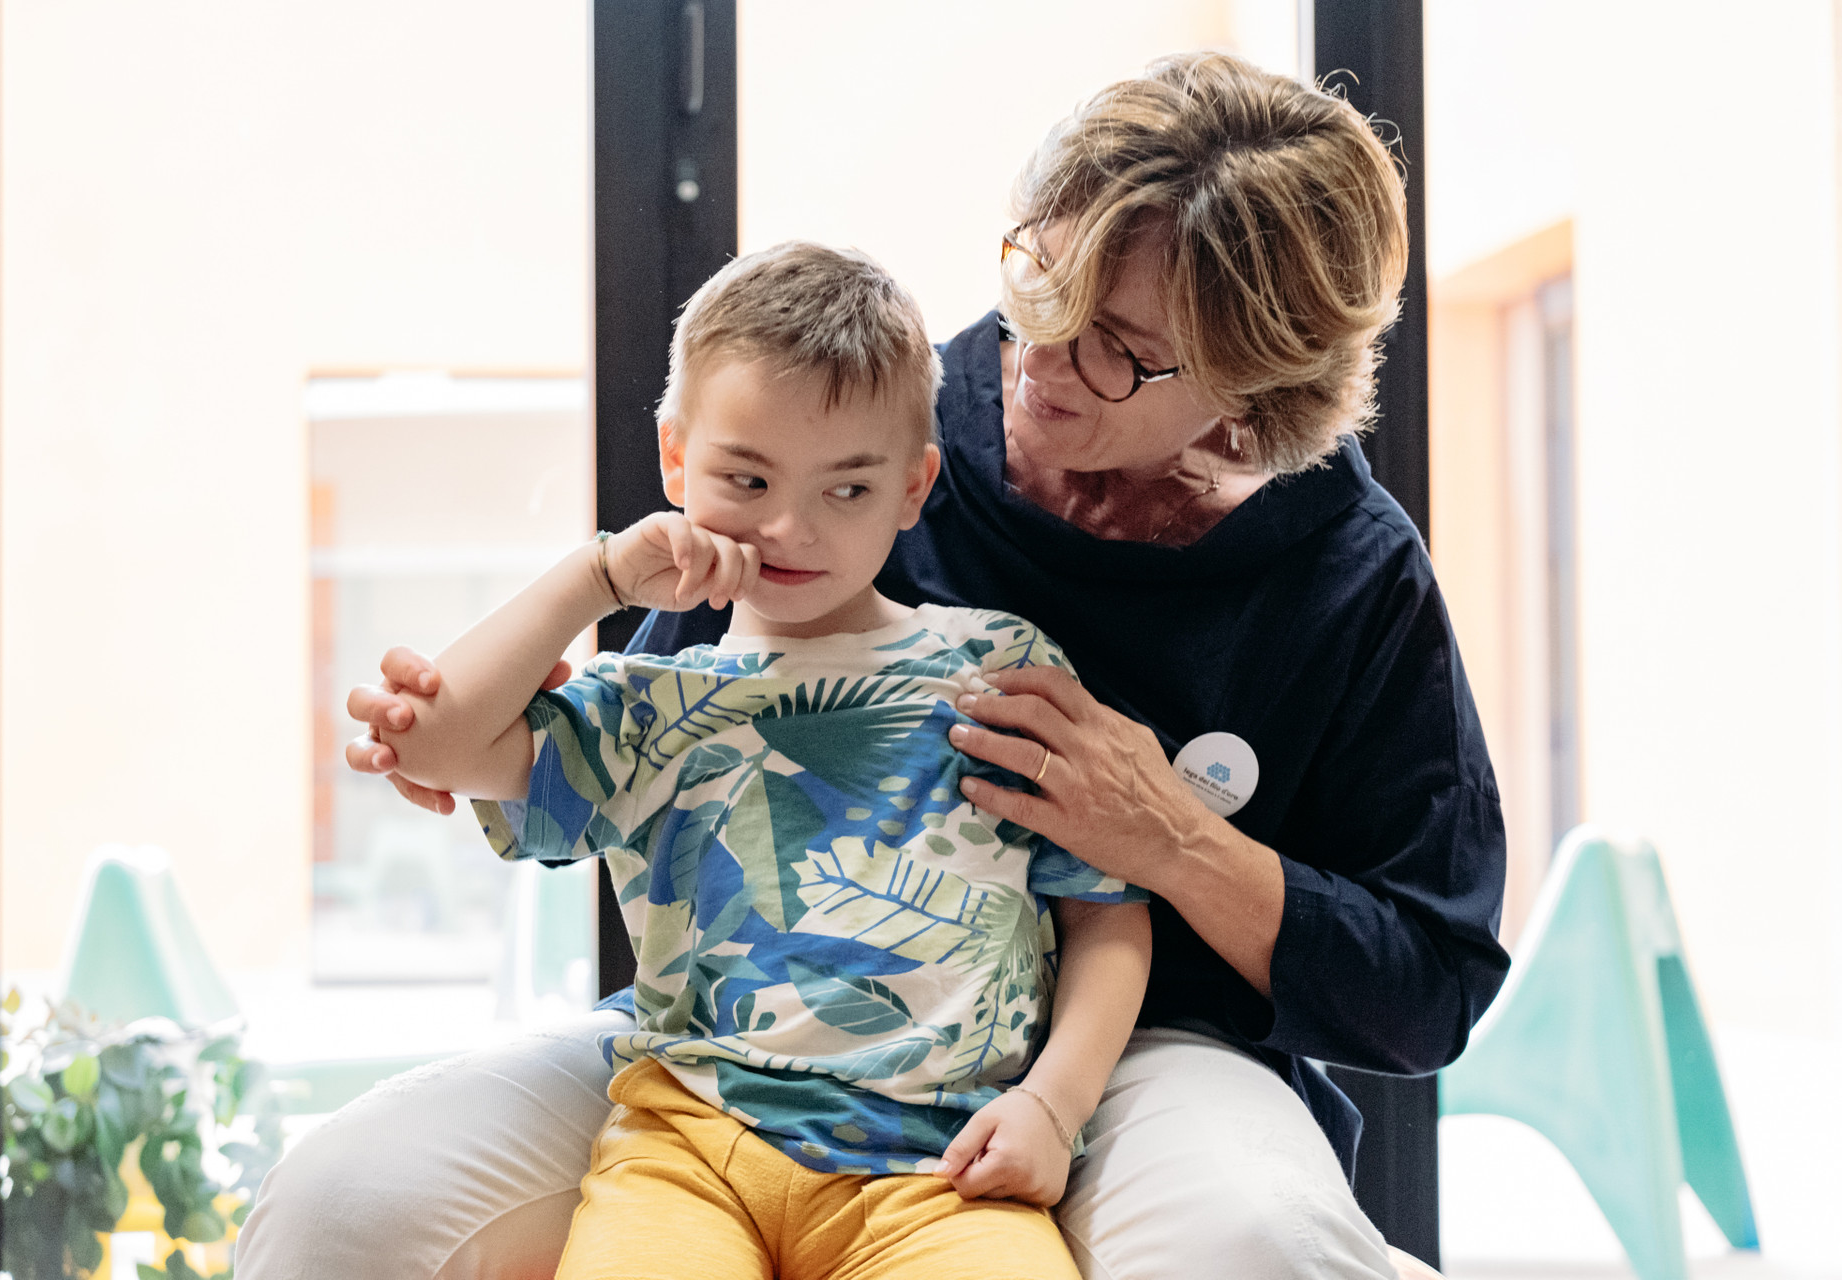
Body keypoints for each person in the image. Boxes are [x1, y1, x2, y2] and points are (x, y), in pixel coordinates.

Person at [236, 52, 1506, 1280]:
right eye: (1040, 281)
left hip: (1134, 1051)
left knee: (1262, 1247)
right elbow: (651, 719)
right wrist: (479, 741)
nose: (1042, 359)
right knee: (346, 1202)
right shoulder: (875, 423)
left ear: (1255, 390)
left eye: (1117, 345)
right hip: (749, 1039)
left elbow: (1425, 987)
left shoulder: (1349, 572)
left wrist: (1172, 836)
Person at [361, 240, 1152, 1280]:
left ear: (915, 486)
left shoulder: (999, 669)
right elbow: (437, 743)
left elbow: (1106, 915)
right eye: (748, 477)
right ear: (676, 459)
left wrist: (1053, 1104)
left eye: (847, 489)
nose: (790, 526)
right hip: (689, 1152)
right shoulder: (648, 709)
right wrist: (598, 576)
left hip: (940, 1172)